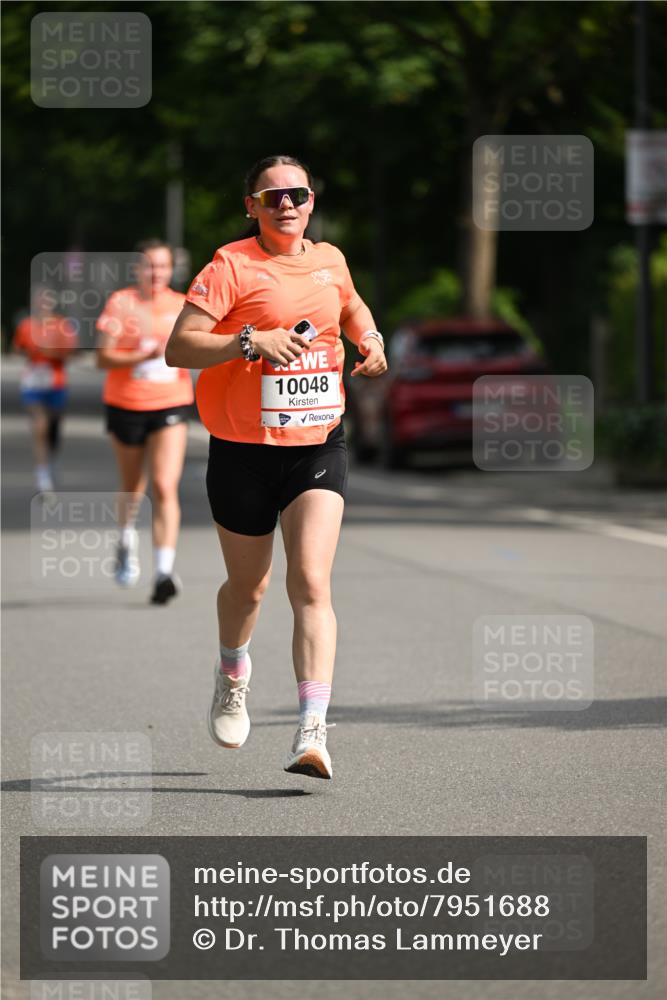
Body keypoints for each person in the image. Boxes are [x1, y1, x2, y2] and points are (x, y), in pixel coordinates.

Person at [166, 154, 387, 778]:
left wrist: (370, 341)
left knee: (312, 583)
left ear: (311, 201)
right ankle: (233, 670)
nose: (286, 204)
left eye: (297, 194)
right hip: (242, 450)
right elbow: (177, 346)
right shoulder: (231, 265)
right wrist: (248, 341)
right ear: (252, 208)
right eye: (271, 197)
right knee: (249, 587)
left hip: (318, 442)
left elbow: (354, 310)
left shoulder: (330, 260)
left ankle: (312, 731)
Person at [96, 239, 193, 604]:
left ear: (172, 270)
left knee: (166, 486)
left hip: (171, 403)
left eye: (162, 267)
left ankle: (164, 572)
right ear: (136, 269)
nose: (156, 273)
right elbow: (102, 359)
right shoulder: (122, 303)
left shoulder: (182, 304)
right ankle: (125, 539)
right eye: (149, 266)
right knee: (133, 484)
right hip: (125, 403)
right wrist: (139, 355)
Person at [12, 286, 77, 495]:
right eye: (40, 300)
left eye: (48, 300)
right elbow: (18, 349)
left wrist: (51, 352)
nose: (44, 304)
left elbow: (70, 353)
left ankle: (51, 461)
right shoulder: (26, 325)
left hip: (56, 382)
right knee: (40, 426)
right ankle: (42, 475)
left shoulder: (62, 325)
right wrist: (30, 352)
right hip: (33, 382)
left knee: (53, 430)